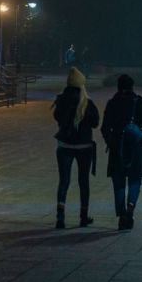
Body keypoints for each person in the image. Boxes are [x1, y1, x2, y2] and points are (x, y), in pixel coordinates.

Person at [101, 73, 142, 230]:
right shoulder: (140, 102)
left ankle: (122, 214)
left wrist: (110, 141)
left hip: (117, 147)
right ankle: (130, 208)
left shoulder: (113, 103)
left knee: (118, 183)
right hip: (136, 149)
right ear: (132, 86)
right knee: (135, 180)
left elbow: (104, 127)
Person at [51, 67, 100, 229]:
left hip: (64, 145)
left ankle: (60, 216)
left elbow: (57, 117)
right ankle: (83, 216)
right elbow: (95, 123)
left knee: (64, 181)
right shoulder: (87, 102)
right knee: (83, 181)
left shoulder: (61, 100)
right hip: (84, 146)